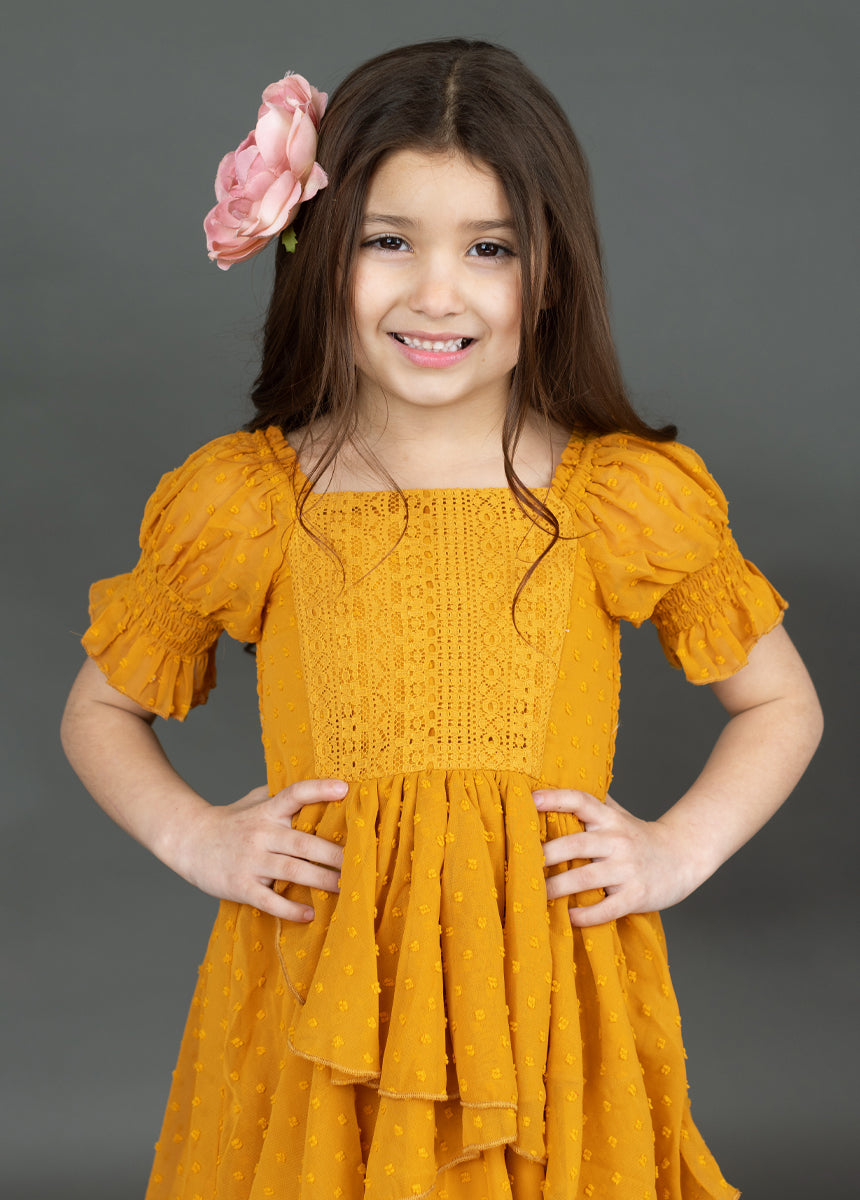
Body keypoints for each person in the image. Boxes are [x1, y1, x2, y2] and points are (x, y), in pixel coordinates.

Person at [61, 38, 822, 1200]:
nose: (434, 292)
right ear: (316, 248)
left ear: (551, 272)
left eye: (488, 248)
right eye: (388, 242)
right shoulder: (250, 501)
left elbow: (779, 703)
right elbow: (98, 709)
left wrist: (678, 848)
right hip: (323, 990)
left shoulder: (614, 496)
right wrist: (194, 837)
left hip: (544, 989)